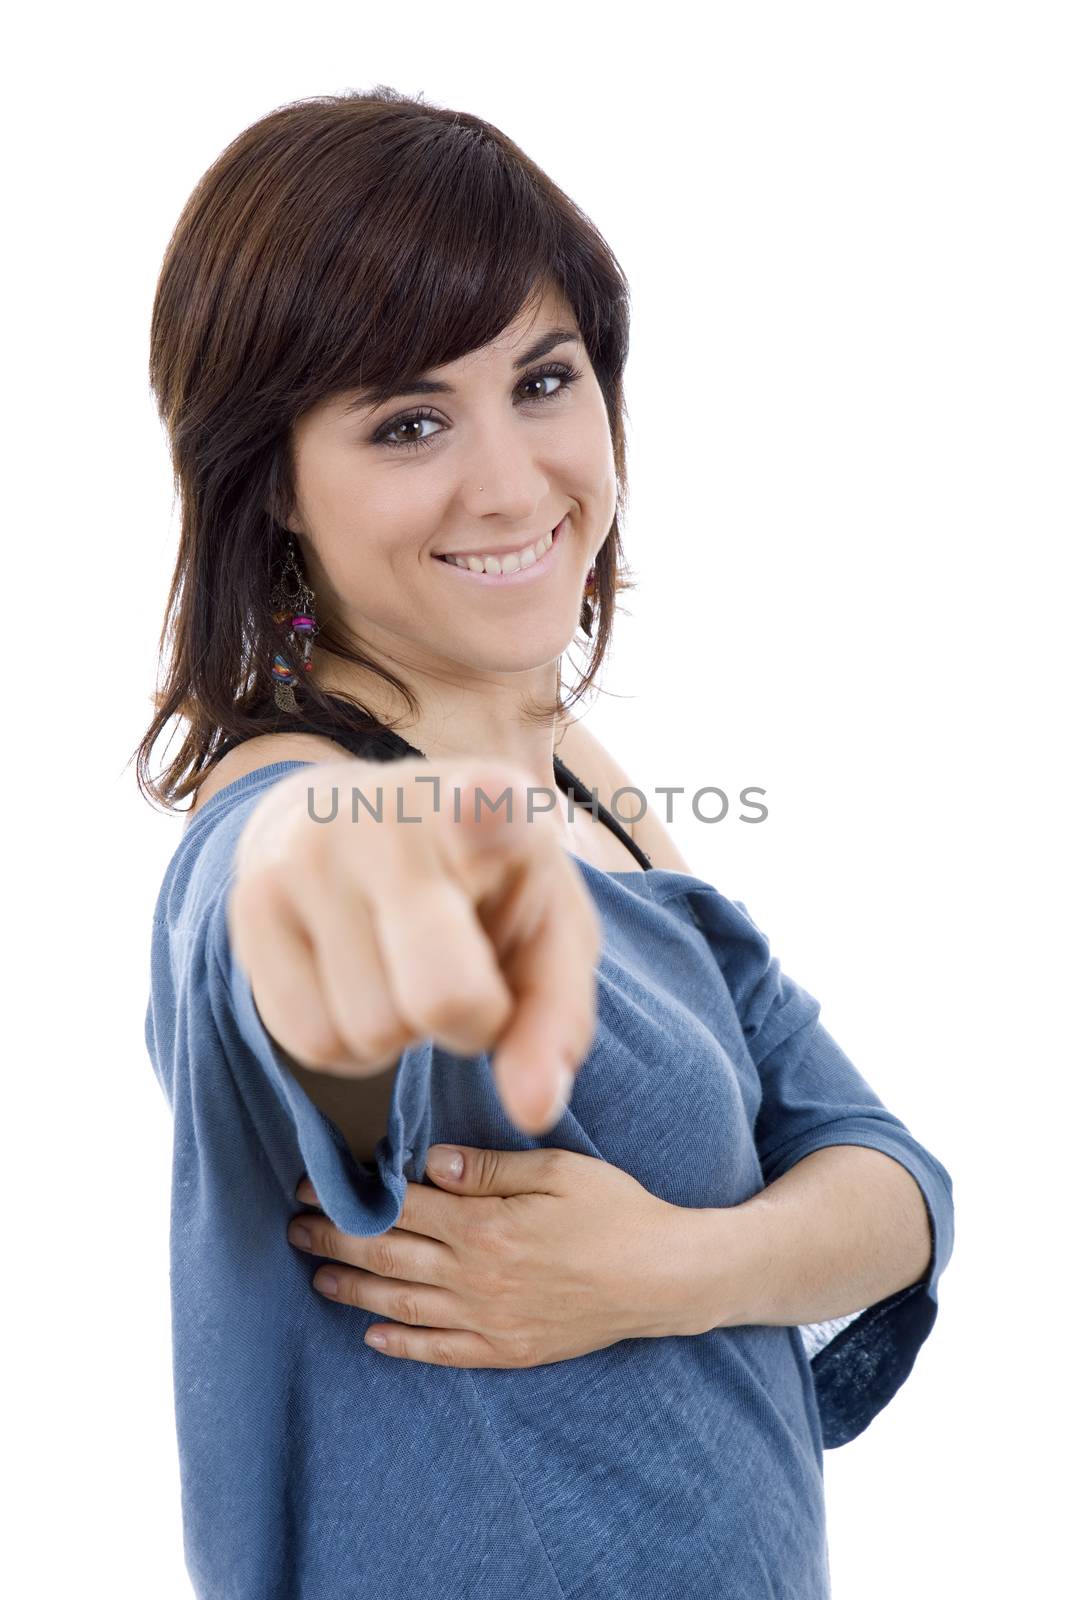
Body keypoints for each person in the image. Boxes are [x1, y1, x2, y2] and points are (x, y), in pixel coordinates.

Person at [138, 88, 955, 1600]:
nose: (512, 483)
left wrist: (667, 1268)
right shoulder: (291, 809)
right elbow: (273, 913)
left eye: (544, 378)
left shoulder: (582, 775)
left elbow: (893, 1188)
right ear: (274, 486)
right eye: (408, 421)